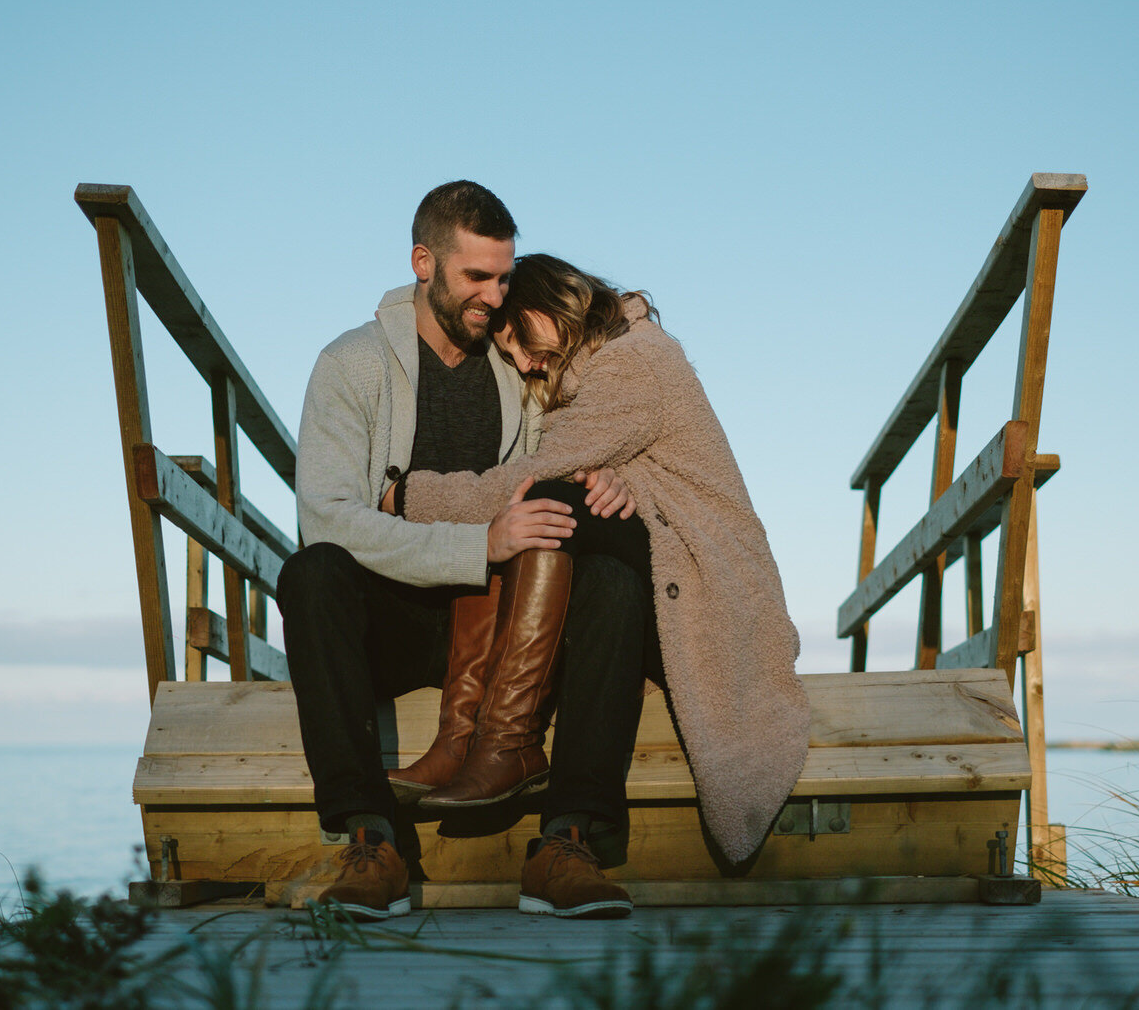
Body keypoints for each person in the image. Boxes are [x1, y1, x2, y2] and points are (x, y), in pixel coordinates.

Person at [276, 182, 646, 922]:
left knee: (612, 578)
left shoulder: (518, 362)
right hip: (402, 621)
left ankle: (567, 842)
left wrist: (610, 475)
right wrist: (477, 544)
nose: (495, 294)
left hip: (513, 627)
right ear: (424, 262)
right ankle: (372, 840)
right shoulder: (350, 364)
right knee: (310, 574)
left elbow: (580, 443)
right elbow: (328, 518)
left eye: (504, 275)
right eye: (477, 276)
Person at [392, 253, 811, 876]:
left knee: (542, 503)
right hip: (655, 578)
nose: (524, 364)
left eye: (519, 343)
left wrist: (407, 496)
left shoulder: (633, 359)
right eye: (509, 358)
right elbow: (615, 457)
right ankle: (575, 825)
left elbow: (533, 477)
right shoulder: (593, 371)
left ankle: (506, 741)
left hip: (709, 591)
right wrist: (618, 477)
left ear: (548, 304)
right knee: (607, 579)